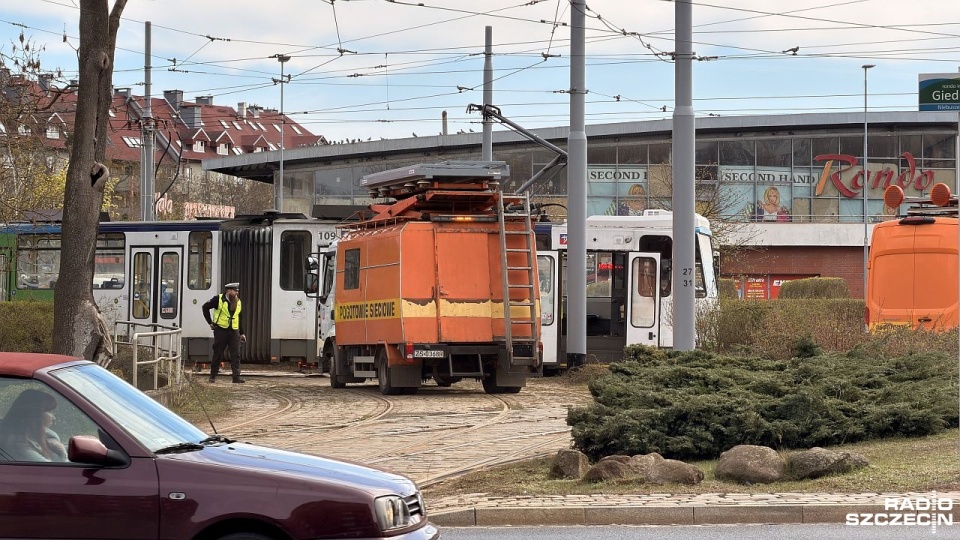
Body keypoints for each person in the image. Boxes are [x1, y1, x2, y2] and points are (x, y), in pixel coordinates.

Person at [0, 388, 68, 462]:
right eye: (50, 412)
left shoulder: (35, 438)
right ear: (35, 414)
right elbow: (51, 470)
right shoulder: (19, 445)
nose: (54, 418)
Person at [202, 282, 247, 383]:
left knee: (236, 354)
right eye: (235, 291)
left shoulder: (238, 301)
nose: (237, 293)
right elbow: (205, 307)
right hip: (221, 330)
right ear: (228, 291)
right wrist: (210, 322)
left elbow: (240, 317)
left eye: (237, 291)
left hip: (234, 331)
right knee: (218, 353)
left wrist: (242, 333)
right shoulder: (218, 299)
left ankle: (236, 377)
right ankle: (212, 376)